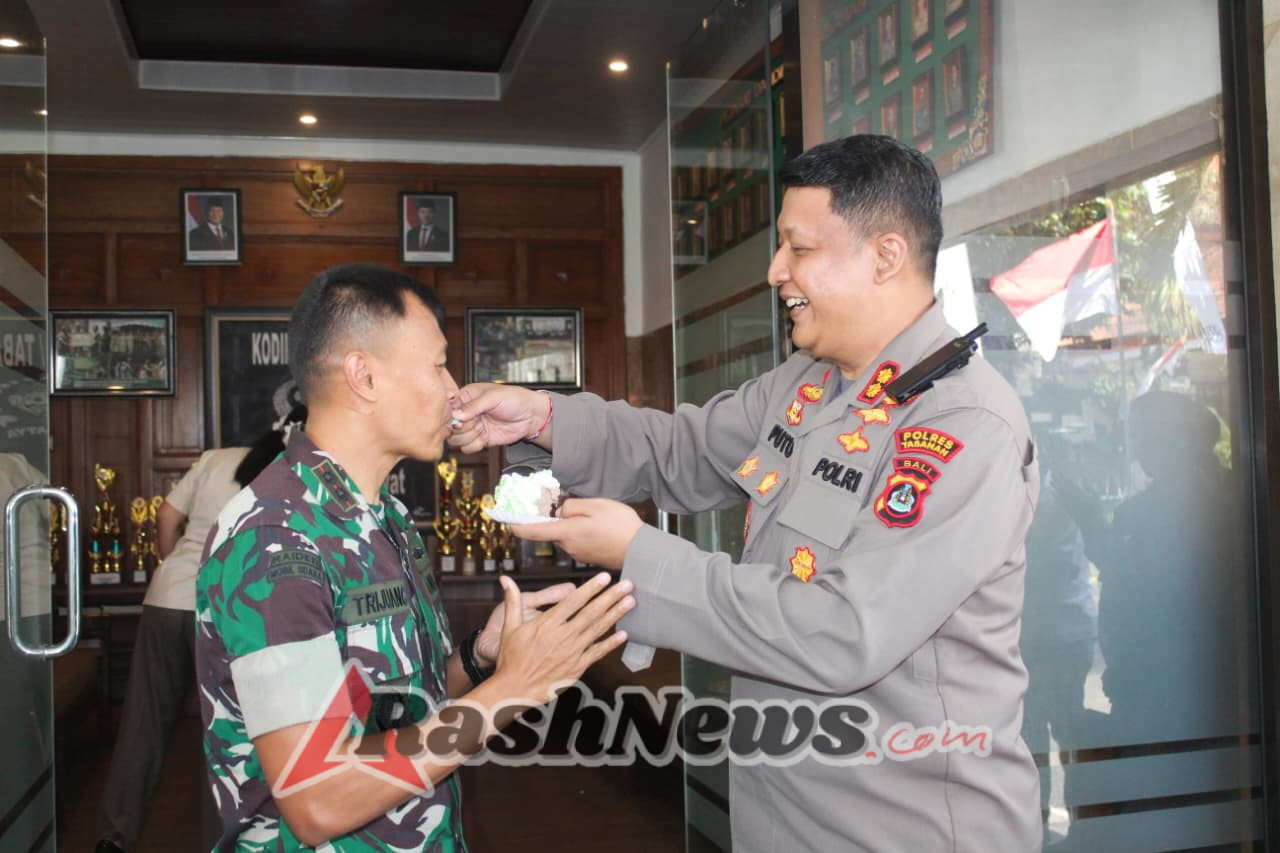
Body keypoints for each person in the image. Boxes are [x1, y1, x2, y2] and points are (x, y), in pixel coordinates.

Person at [451, 134, 1042, 850]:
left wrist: (642, 554)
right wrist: (545, 416)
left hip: (903, 826)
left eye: (800, 249)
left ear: (885, 256)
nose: (775, 271)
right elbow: (682, 449)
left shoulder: (960, 423)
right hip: (783, 812)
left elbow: (843, 631)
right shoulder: (808, 382)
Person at [194, 263, 632, 851]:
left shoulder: (387, 519)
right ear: (364, 376)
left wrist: (482, 660)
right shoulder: (276, 540)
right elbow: (317, 797)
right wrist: (513, 689)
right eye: (437, 364)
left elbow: (400, 710)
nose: (454, 389)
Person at [94, 408, 304, 853]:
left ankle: (113, 837)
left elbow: (167, 517)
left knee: (143, 726)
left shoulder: (214, 458)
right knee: (230, 733)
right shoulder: (294, 468)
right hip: (230, 608)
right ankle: (226, 839)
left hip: (168, 599)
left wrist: (172, 565)